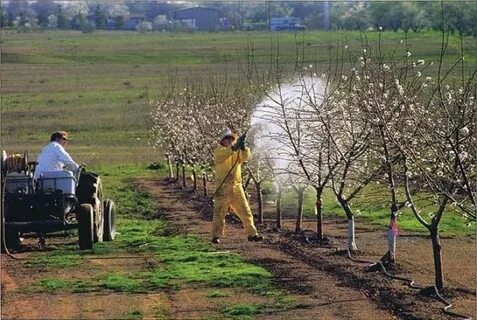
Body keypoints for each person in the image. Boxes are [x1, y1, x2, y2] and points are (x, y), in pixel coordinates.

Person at [211, 129, 264, 244]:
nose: (230, 140)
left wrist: (244, 147)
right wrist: (234, 148)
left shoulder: (236, 152)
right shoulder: (219, 151)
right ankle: (216, 236)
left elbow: (245, 157)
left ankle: (252, 234)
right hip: (223, 187)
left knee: (246, 211)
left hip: (236, 186)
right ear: (222, 141)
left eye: (231, 139)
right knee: (219, 213)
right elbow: (222, 156)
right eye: (227, 138)